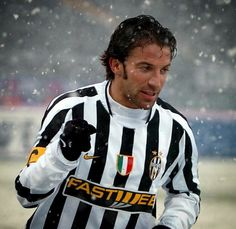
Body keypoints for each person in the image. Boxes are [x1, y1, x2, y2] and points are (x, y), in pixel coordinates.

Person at [15, 15, 200, 229]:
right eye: (145, 68)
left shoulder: (176, 128)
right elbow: (26, 194)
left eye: (164, 70)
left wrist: (170, 226)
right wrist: (62, 156)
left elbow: (186, 194)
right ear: (116, 65)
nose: (156, 81)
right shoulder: (71, 109)